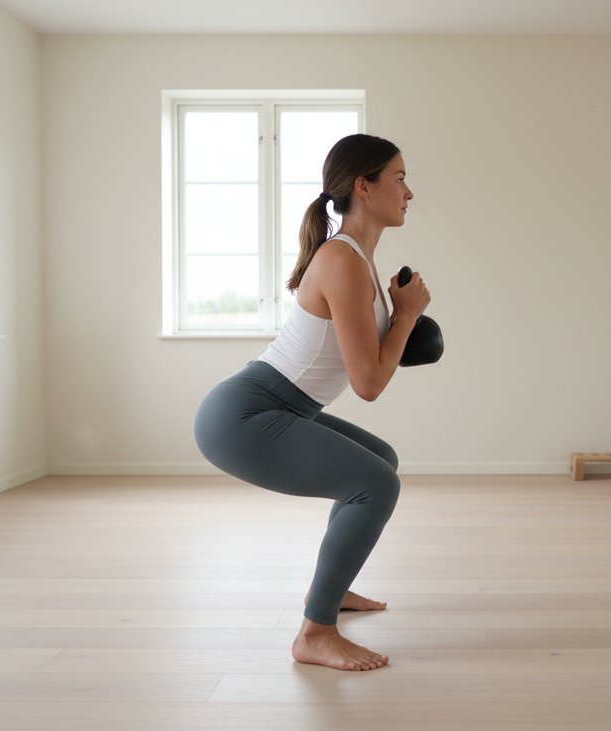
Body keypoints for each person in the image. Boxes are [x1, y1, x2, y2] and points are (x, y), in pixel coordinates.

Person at [194, 134, 429, 671]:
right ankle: (315, 633)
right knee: (376, 483)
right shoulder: (342, 260)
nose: (409, 191)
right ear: (364, 187)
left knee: (380, 463)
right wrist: (408, 317)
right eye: (399, 178)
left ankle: (330, 590)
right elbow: (368, 383)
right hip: (244, 415)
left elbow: (369, 361)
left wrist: (400, 314)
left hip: (279, 408)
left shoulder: (361, 260)